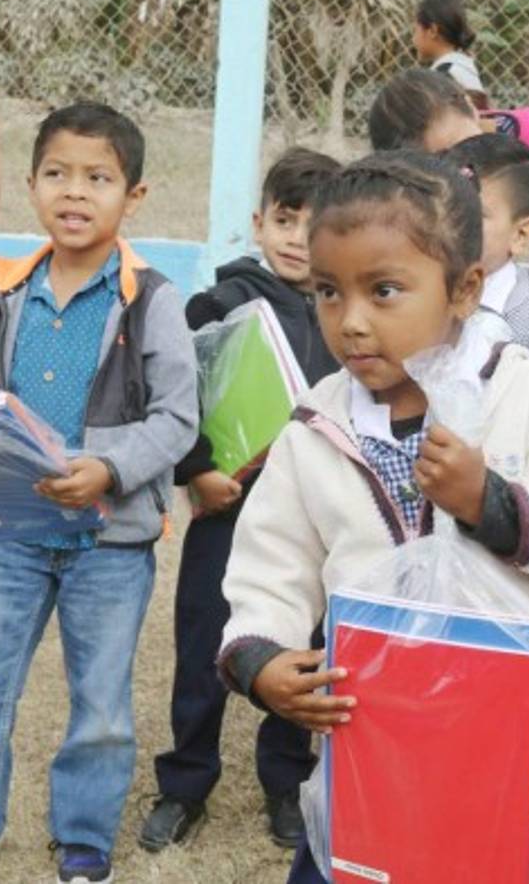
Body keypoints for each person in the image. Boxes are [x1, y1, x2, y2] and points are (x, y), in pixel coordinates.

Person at [213, 150, 529, 884]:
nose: (350, 322)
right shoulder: (315, 428)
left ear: (464, 288)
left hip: (518, 753)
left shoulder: (523, 396)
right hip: (375, 744)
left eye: (383, 291)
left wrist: (492, 504)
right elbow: (269, 568)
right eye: (327, 292)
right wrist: (262, 659)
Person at [0, 102, 197, 884]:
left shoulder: (153, 300)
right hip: (10, 534)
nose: (74, 193)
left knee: (102, 704)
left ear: (133, 197)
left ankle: (82, 837)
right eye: (56, 174)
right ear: (33, 187)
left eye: (98, 178)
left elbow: (178, 417)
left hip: (109, 545)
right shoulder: (9, 292)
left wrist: (106, 466)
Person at [139, 147, 341, 855]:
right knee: (203, 643)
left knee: (302, 646)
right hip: (229, 510)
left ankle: (285, 780)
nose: (295, 237)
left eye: (313, 224)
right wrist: (197, 471)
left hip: (313, 523)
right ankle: (185, 781)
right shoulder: (219, 304)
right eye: (284, 219)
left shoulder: (343, 312)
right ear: (258, 222)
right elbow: (177, 395)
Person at [368, 68, 529, 295]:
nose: (461, 165)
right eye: (442, 163)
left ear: (471, 107)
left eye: (462, 147)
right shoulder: (477, 127)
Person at [444, 133, 529, 381]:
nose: (451, 225)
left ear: (521, 234)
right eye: (445, 209)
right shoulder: (425, 297)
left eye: (472, 214)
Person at [412, 0, 487, 110]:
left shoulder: (444, 75)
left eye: (415, 30)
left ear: (432, 31)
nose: (413, 39)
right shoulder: (463, 66)